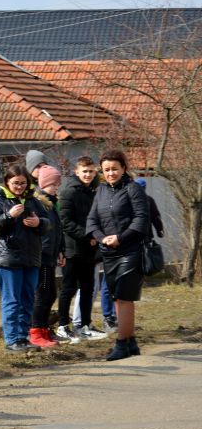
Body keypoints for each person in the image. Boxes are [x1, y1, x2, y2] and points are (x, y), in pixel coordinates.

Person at [87, 150, 149, 361]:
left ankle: (121, 344)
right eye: (107, 170)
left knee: (124, 297)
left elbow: (141, 220)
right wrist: (101, 238)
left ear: (123, 168)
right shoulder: (101, 191)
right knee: (119, 298)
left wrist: (120, 238)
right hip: (109, 252)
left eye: (115, 168)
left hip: (130, 250)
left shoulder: (133, 189)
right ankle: (131, 342)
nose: (111, 173)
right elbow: (92, 220)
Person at [0, 163, 49, 353]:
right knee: (12, 299)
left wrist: (38, 222)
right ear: (7, 182)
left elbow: (47, 222)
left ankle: (23, 337)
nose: (19, 187)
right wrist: (9, 216)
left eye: (23, 183)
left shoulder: (32, 199)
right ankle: (11, 340)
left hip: (31, 256)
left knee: (27, 298)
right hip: (9, 257)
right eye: (15, 183)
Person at [57, 156, 107, 344]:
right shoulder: (69, 191)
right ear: (77, 172)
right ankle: (63, 326)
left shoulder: (92, 191)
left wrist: (96, 236)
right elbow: (65, 222)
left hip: (89, 249)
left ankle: (84, 325)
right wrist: (89, 235)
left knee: (88, 288)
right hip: (72, 249)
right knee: (68, 288)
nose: (87, 175)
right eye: (84, 171)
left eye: (91, 171)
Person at [29, 167, 64, 349]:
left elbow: (58, 229)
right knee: (42, 294)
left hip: (51, 254)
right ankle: (35, 331)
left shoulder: (52, 203)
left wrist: (60, 250)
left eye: (58, 184)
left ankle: (43, 327)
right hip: (42, 255)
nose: (57, 187)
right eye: (53, 184)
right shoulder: (39, 203)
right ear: (44, 184)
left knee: (50, 293)